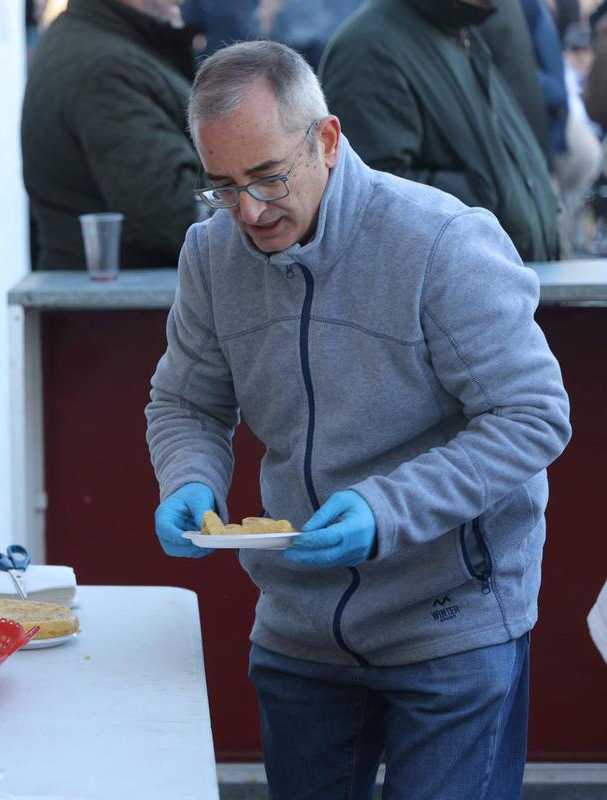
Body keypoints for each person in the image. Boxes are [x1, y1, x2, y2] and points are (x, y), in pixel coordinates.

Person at [146, 40, 571, 799]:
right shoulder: (211, 255)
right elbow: (187, 401)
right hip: (298, 625)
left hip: (452, 618)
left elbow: (532, 415)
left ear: (328, 140)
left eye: (268, 177)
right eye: (222, 187)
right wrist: (188, 475)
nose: (249, 211)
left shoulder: (440, 241)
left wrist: (388, 509)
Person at [318, 0, 561, 262]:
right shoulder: (368, 46)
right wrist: (486, 195)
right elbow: (367, 198)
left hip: (505, 286)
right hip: (457, 293)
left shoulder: (458, 30)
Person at [21, 0, 202, 270]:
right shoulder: (103, 67)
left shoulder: (103, 41)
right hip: (120, 299)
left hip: (113, 290)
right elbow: (172, 215)